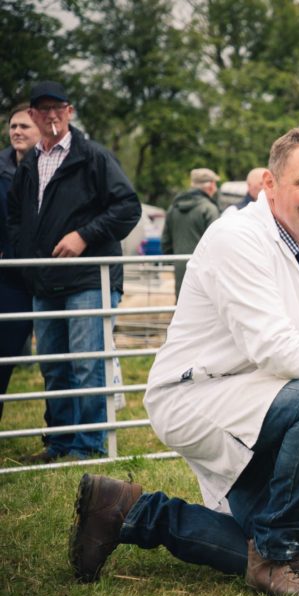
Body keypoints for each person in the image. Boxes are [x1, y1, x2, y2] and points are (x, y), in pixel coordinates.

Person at [67, 126, 299, 596]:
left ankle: (126, 510)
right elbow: (275, 348)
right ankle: (280, 555)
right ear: (270, 184)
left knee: (248, 541)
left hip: (261, 392)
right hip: (198, 394)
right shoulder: (237, 238)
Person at [8, 81, 141, 462]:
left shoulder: (93, 157)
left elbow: (127, 207)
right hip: (44, 279)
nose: (50, 115)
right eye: (42, 109)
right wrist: (25, 251)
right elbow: (15, 215)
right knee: (53, 365)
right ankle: (60, 442)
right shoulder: (30, 163)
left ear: (70, 112)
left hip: (87, 278)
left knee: (87, 363)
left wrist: (84, 236)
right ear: (32, 115)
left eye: (58, 108)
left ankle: (87, 446)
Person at [0, 103, 41, 419]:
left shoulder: (51, 166)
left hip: (46, 274)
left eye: (24, 126)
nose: (16, 132)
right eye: (13, 126)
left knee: (57, 358)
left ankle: (60, 436)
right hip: (9, 275)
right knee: (3, 353)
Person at [162, 168, 221, 298]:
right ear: (211, 185)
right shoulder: (209, 209)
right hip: (205, 270)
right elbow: (217, 242)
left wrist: (175, 261)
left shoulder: (174, 207)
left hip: (180, 268)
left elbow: (166, 241)